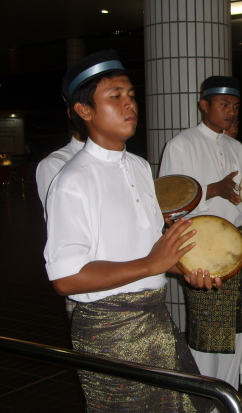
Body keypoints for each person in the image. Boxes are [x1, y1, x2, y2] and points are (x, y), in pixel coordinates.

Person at [43, 50, 215, 412]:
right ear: (84, 111)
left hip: (155, 319)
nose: (129, 105)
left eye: (131, 95)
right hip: (108, 331)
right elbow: (67, 278)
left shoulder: (138, 166)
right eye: (115, 96)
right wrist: (152, 264)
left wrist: (185, 268)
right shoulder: (72, 180)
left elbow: (151, 252)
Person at [159, 75, 242, 390]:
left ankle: (229, 395)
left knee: (238, 328)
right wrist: (212, 190)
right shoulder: (181, 144)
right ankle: (204, 398)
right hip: (202, 249)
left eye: (236, 106)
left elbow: (241, 199)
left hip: (237, 245)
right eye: (224, 104)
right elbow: (169, 207)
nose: (231, 111)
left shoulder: (234, 145)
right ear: (204, 105)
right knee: (209, 331)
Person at [36, 75, 88, 320]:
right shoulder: (56, 164)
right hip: (88, 283)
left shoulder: (132, 163)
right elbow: (63, 234)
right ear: (75, 113)